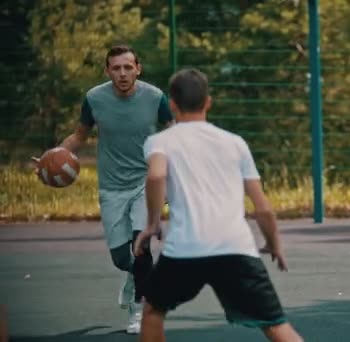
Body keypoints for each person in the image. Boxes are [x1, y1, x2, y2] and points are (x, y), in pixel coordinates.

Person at [134, 68, 303, 342]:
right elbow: (263, 207)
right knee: (275, 324)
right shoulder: (235, 143)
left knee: (153, 310)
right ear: (208, 102)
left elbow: (155, 175)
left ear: (172, 104)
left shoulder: (159, 142)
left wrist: (152, 224)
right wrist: (274, 243)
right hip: (234, 247)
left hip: (185, 250)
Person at [32, 45, 174, 334]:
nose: (122, 73)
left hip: (146, 183)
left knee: (141, 246)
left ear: (138, 68)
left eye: (127, 67)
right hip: (111, 187)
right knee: (123, 258)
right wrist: (52, 156)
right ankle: (134, 276)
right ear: (107, 71)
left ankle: (138, 311)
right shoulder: (95, 98)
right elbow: (80, 134)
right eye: (116, 68)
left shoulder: (155, 97)